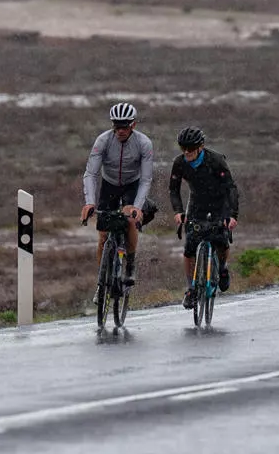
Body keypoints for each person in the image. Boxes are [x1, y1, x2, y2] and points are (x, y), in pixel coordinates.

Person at [80, 102, 156, 283]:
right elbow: (91, 173)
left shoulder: (144, 143)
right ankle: (102, 280)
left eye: (125, 126)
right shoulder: (103, 141)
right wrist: (90, 202)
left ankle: (130, 264)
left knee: (129, 218)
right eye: (116, 126)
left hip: (133, 184)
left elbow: (146, 179)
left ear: (133, 125)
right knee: (104, 234)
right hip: (110, 184)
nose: (120, 130)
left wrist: (137, 207)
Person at [169, 126, 240, 309]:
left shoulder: (215, 160)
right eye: (183, 148)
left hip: (219, 204)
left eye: (190, 149)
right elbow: (174, 189)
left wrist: (232, 215)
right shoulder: (179, 163)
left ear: (200, 147)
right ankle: (191, 289)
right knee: (189, 247)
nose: (187, 152)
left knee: (221, 240)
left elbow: (231, 188)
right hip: (197, 205)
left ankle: (223, 268)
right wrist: (178, 211)